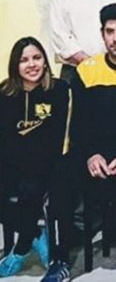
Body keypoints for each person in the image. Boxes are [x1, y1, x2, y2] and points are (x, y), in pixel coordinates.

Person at [41, 3, 116, 282]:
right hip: (93, 152)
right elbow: (79, 123)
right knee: (60, 175)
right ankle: (58, 262)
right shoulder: (86, 71)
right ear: (102, 34)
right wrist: (90, 155)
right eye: (110, 32)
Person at [0, 38, 69, 276]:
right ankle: (36, 234)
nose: (32, 65)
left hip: (48, 164)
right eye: (24, 60)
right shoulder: (4, 93)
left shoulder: (59, 90)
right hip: (12, 165)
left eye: (37, 58)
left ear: (45, 62)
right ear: (15, 65)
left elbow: (60, 136)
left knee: (29, 188)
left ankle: (21, 248)